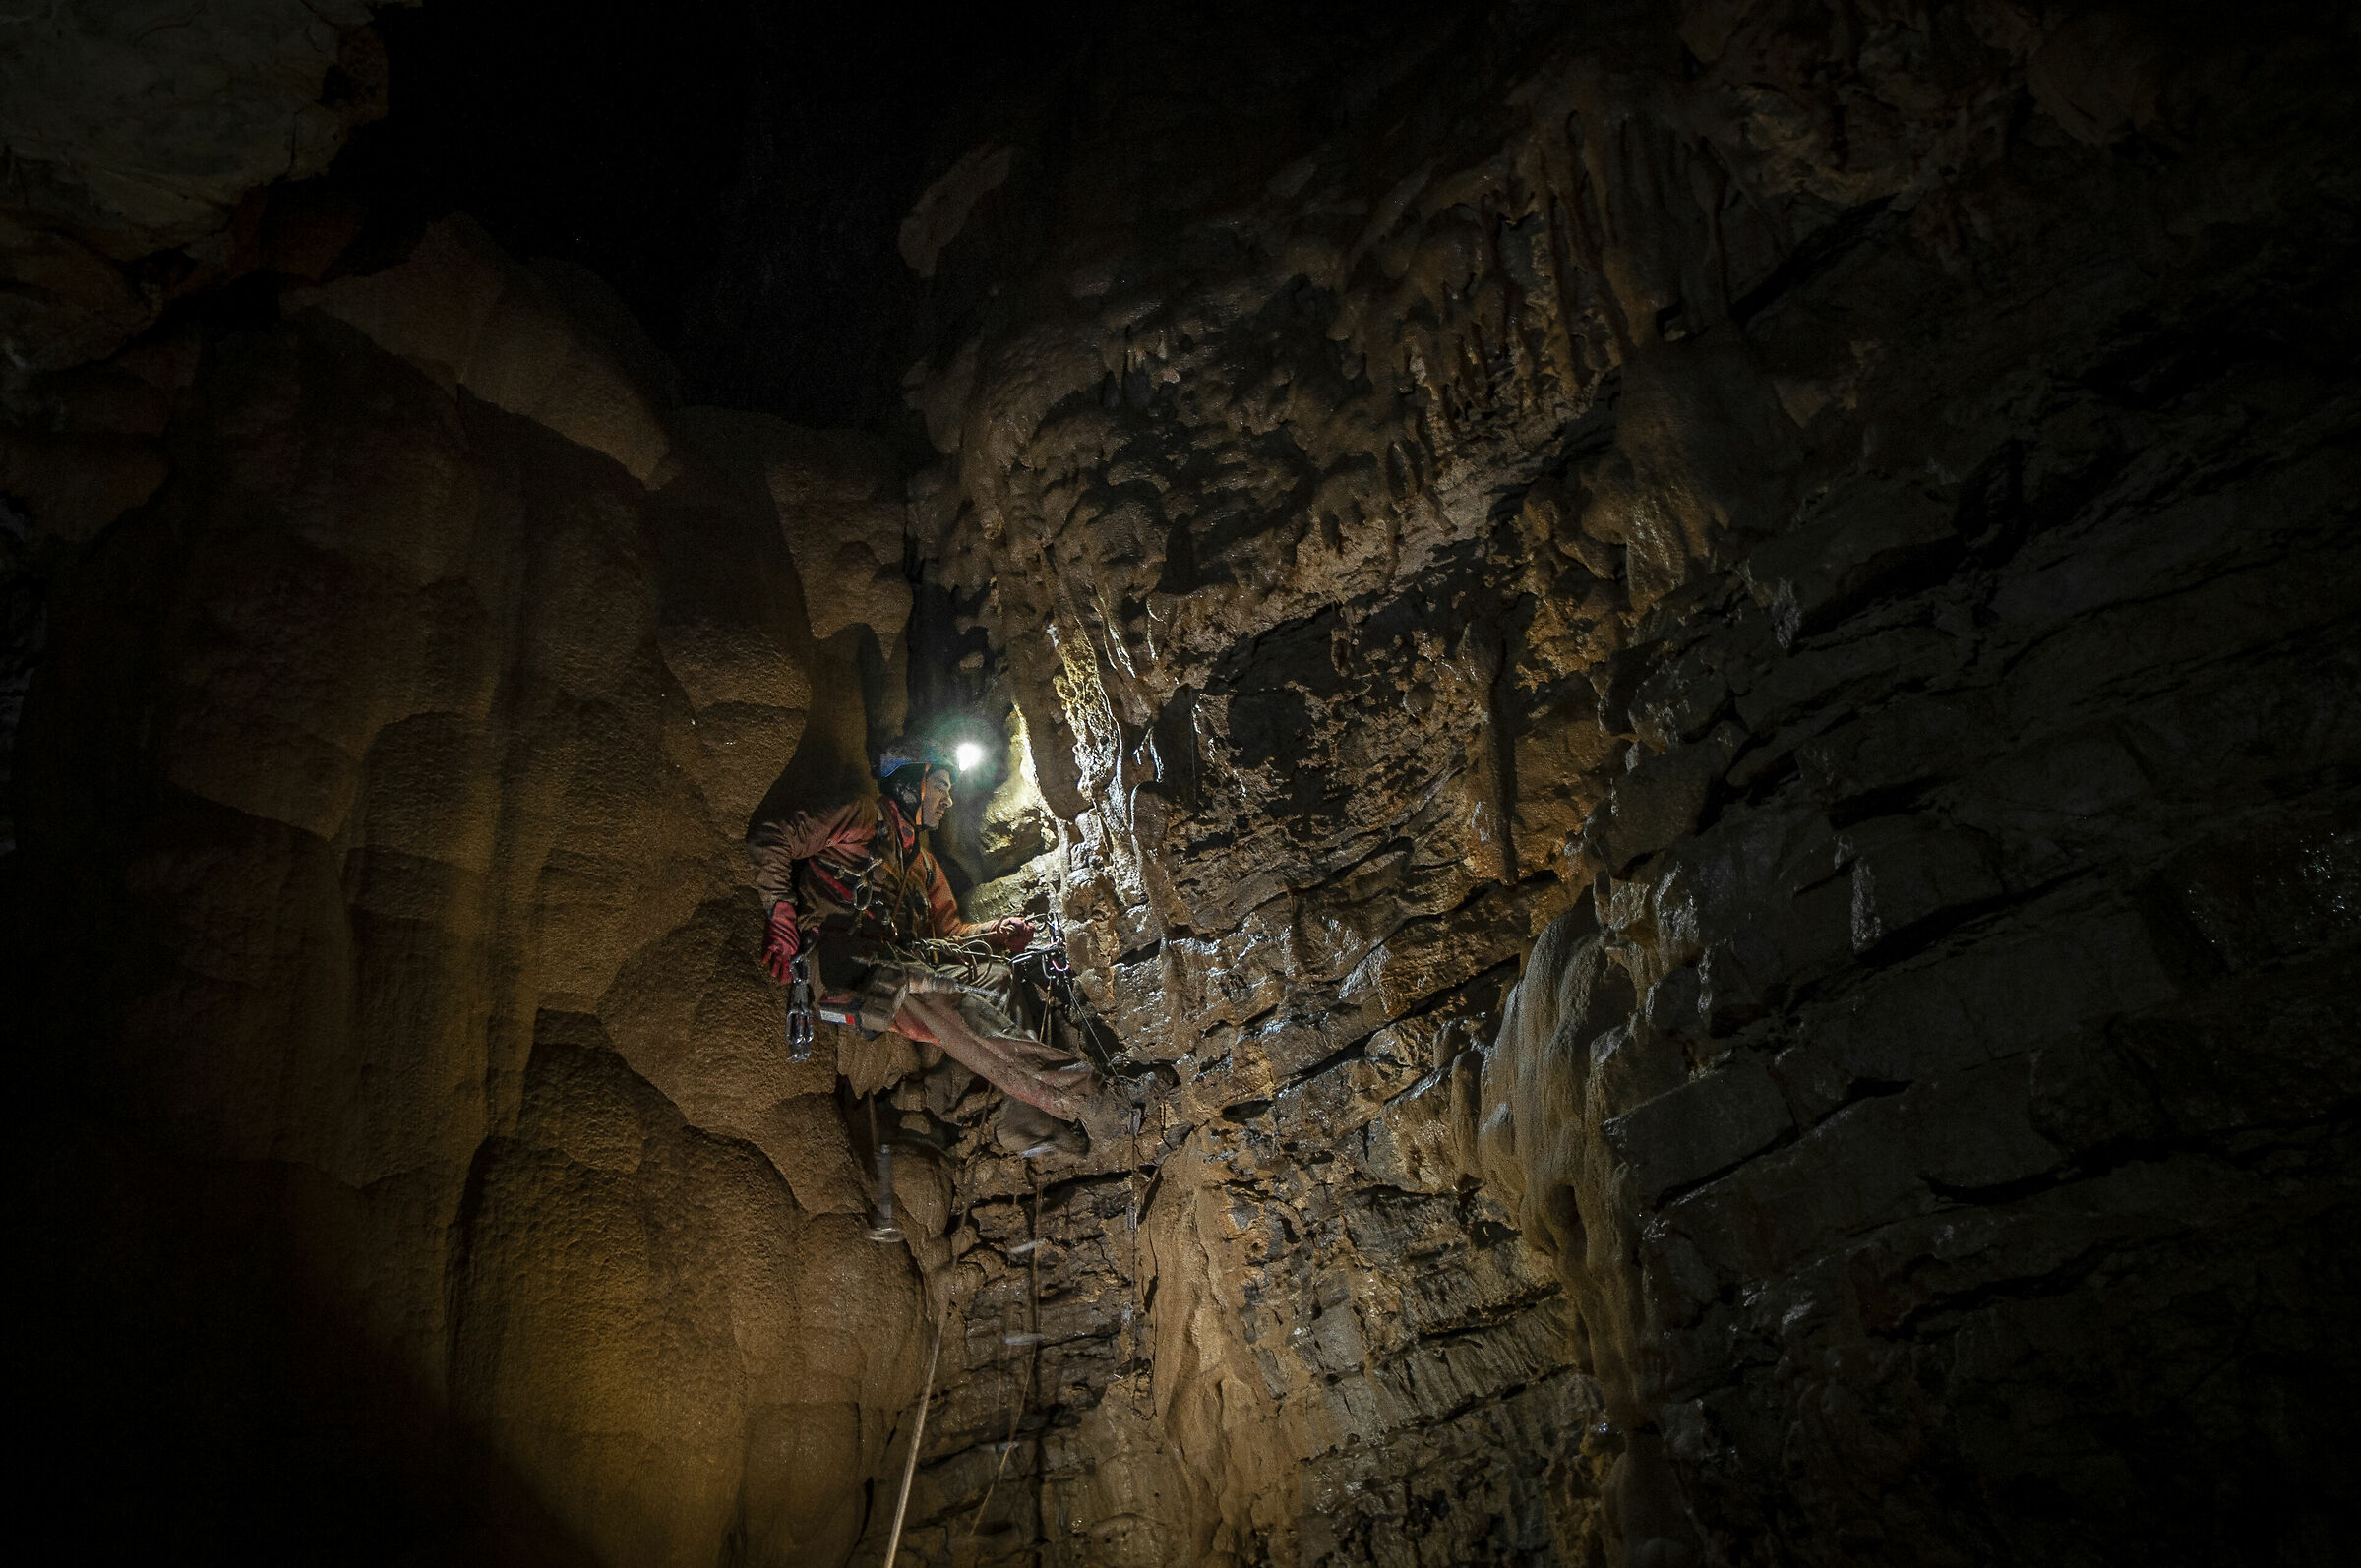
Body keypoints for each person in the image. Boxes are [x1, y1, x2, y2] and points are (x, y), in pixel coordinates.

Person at [749, 742, 1102, 1125]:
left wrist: (996, 931)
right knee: (956, 1005)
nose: (948, 800)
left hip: (899, 962)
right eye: (941, 785)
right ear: (910, 784)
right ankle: (1088, 1095)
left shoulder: (923, 863)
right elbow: (772, 837)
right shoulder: (863, 816)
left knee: (997, 976)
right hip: (846, 963)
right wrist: (780, 911)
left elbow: (950, 930)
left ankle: (1029, 1109)